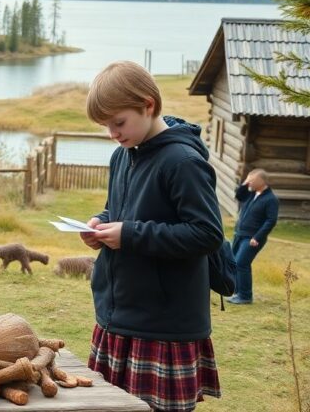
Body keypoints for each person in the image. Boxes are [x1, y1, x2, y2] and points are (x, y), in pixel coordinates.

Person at [80, 60, 223, 412]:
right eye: (105, 126)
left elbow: (207, 234)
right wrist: (102, 223)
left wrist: (129, 234)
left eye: (118, 122)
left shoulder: (182, 162)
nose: (113, 133)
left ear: (148, 105)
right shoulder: (123, 155)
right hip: (119, 314)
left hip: (163, 325)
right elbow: (124, 210)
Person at [228, 168, 279, 304]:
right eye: (248, 180)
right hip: (240, 234)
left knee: (241, 263)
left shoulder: (271, 199)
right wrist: (245, 183)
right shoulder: (251, 194)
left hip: (252, 238)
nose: (249, 182)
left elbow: (271, 221)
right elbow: (238, 195)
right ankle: (238, 293)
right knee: (236, 263)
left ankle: (245, 296)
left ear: (262, 181)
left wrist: (257, 237)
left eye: (252, 180)